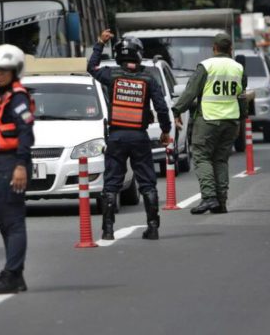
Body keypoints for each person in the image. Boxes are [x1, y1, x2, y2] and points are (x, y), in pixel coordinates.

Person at [87, 30, 171, 240]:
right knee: (147, 182)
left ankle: (107, 230)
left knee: (112, 182)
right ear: (139, 54)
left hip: (116, 137)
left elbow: (92, 67)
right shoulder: (148, 79)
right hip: (139, 137)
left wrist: (99, 43)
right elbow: (161, 107)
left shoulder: (112, 75)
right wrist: (166, 130)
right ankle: (153, 228)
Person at [0, 44, 35, 294]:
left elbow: (25, 133)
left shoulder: (18, 98)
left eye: (4, 70)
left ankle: (12, 274)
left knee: (12, 221)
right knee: (2, 221)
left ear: (15, 70)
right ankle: (15, 274)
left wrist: (21, 165)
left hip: (13, 163)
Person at [171, 34, 244, 214]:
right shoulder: (239, 68)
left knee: (202, 157)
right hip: (231, 121)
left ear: (214, 48)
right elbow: (241, 96)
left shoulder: (207, 66)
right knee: (220, 159)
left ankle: (209, 197)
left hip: (209, 120)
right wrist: (241, 119)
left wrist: (176, 111)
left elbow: (191, 92)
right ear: (231, 50)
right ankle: (221, 202)